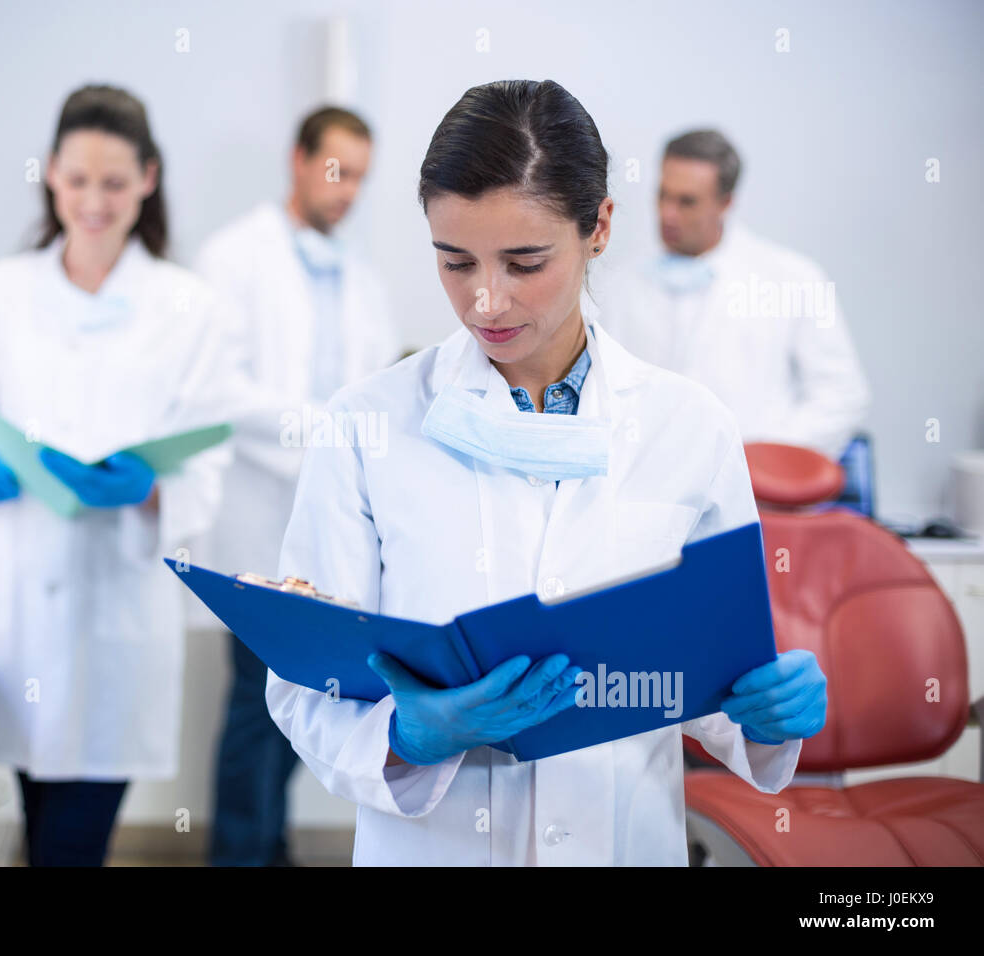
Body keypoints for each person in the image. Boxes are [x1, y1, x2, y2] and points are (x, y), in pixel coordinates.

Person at [265, 80, 828, 866]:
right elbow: (303, 684)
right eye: (455, 261)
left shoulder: (688, 427)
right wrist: (403, 734)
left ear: (598, 227)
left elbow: (711, 676)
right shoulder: (366, 425)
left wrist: (766, 710)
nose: (485, 299)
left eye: (524, 262)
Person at [0, 85, 247, 866]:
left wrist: (150, 486)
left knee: (74, 840)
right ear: (52, 179)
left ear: (148, 178)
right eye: (76, 181)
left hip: (118, 613)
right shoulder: (1, 292)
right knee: (42, 827)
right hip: (20, 606)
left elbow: (208, 452)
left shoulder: (189, 306)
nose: (93, 201)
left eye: (113, 182)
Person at [194, 106, 401, 866]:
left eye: (361, 178)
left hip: (330, 530)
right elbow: (220, 390)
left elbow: (375, 393)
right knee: (257, 703)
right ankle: (240, 855)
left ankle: (267, 846)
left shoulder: (362, 279)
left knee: (305, 700)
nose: (346, 191)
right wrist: (324, 434)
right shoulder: (231, 258)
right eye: (336, 168)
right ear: (299, 159)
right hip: (259, 519)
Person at [594, 129, 870, 460]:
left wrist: (760, 460)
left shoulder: (795, 279)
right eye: (663, 195)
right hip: (647, 480)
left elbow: (842, 395)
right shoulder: (620, 282)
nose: (667, 214)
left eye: (687, 202)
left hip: (756, 490)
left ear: (725, 203)